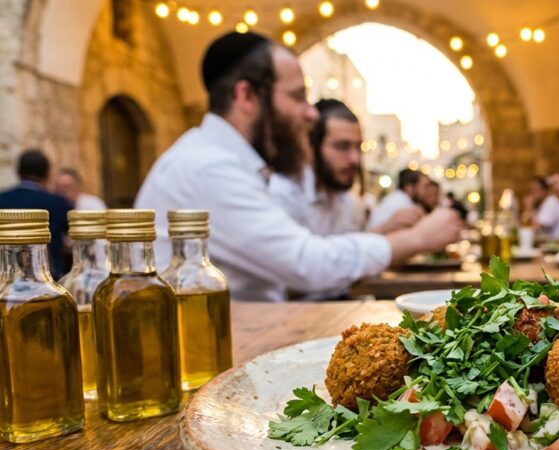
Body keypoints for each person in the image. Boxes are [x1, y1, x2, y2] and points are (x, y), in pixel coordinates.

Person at [134, 31, 461, 301]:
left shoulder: (222, 159)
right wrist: (417, 238)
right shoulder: (207, 166)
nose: (311, 113)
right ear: (246, 96)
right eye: (297, 96)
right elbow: (305, 263)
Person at [268, 99, 421, 236]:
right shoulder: (283, 195)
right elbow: (308, 261)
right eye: (342, 146)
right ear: (311, 146)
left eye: (358, 147)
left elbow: (349, 254)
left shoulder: (349, 204)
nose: (355, 159)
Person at [0, 150, 73, 277]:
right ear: (47, 174)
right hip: (49, 273)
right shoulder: (58, 202)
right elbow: (72, 236)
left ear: (17, 172)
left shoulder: (2, 199)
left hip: (6, 276)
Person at [366, 168, 437, 231]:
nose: (428, 191)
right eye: (424, 187)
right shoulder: (403, 205)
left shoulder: (398, 198)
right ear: (409, 188)